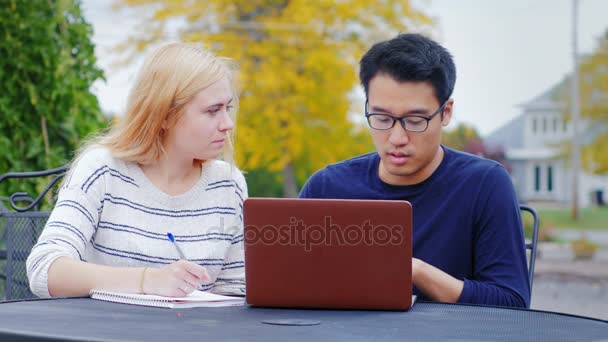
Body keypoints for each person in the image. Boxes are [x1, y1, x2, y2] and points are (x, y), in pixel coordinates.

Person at [299, 33, 530, 308]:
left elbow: (511, 303)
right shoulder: (327, 188)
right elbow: (286, 283)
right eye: (382, 118)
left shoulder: (484, 184)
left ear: (445, 113)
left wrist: (416, 271)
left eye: (414, 120)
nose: (397, 137)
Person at [26, 43, 247, 298]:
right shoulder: (103, 171)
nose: (228, 124)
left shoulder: (228, 184)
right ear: (164, 115)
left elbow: (235, 293)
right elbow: (45, 270)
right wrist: (146, 280)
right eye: (212, 111)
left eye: (227, 108)